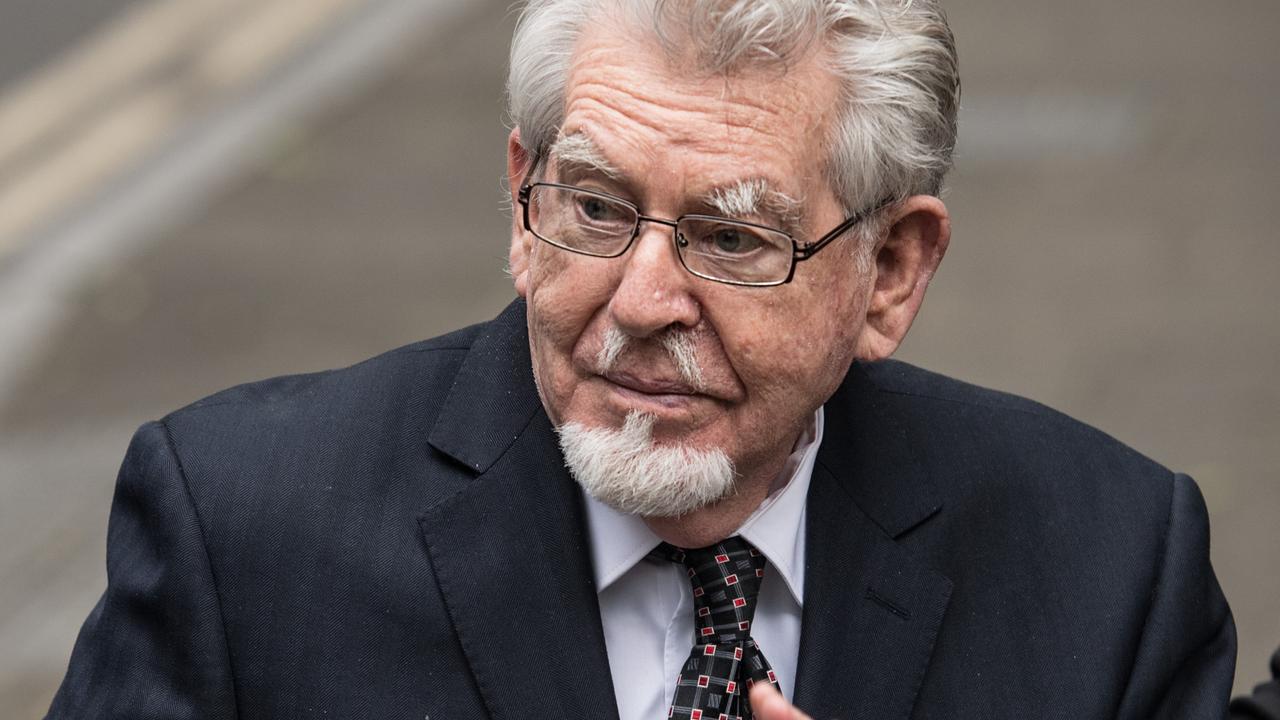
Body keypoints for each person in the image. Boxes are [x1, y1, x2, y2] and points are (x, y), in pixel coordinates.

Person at [47, 1, 1236, 718]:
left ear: (889, 275)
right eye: (596, 209)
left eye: (731, 236)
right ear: (521, 199)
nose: (643, 300)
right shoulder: (243, 534)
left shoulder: (1104, 570)